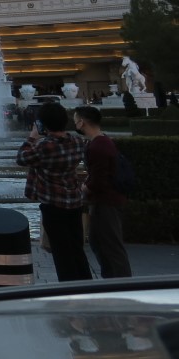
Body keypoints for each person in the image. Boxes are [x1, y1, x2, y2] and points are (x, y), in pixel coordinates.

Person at [15, 101, 90, 282]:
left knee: (61, 252)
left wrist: (32, 136)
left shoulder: (44, 146)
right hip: (74, 202)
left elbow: (21, 158)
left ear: (44, 124)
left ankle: (69, 291)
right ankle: (86, 285)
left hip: (53, 206)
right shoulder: (78, 142)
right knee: (76, 248)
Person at [75, 106, 133, 278]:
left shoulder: (98, 145)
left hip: (106, 202)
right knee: (98, 241)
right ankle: (111, 279)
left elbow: (99, 179)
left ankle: (121, 283)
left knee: (110, 244)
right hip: (106, 200)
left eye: (76, 120)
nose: (75, 123)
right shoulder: (101, 141)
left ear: (82, 122)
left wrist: (83, 188)